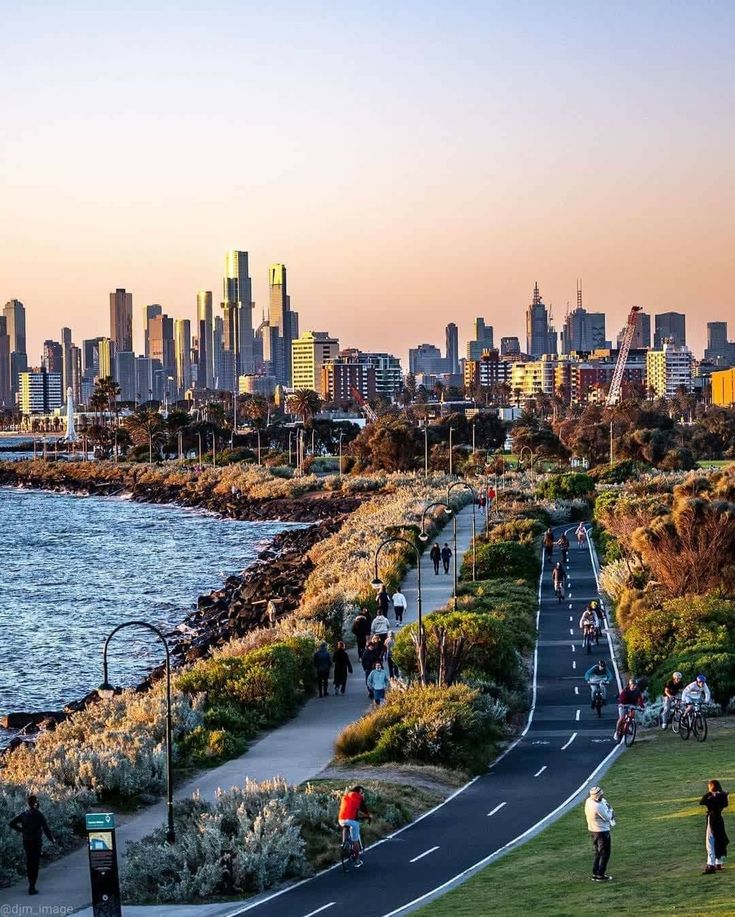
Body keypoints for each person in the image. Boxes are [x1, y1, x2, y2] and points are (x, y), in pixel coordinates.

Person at [9, 794, 54, 895]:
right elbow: (46, 829)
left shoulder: (24, 815)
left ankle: (31, 884)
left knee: (29, 862)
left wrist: (22, 830)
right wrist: (52, 839)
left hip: (27, 841)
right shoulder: (39, 815)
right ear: (36, 804)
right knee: (35, 863)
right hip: (36, 842)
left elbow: (11, 823)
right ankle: (32, 886)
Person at [584, 786, 615, 881]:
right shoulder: (597, 806)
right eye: (601, 794)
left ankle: (595, 872)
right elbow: (608, 817)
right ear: (597, 796)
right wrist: (611, 811)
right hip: (601, 831)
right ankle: (600, 874)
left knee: (598, 853)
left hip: (593, 830)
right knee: (604, 853)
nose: (603, 795)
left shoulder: (589, 801)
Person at [700, 780, 729, 873]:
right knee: (719, 839)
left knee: (710, 842)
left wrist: (710, 793)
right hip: (719, 819)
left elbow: (702, 801)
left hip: (712, 819)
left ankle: (711, 865)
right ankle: (718, 863)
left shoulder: (710, 797)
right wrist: (722, 793)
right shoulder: (722, 796)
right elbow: (725, 804)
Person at [338, 785, 371, 866]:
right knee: (355, 840)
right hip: (351, 821)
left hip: (341, 819)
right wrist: (368, 816)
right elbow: (364, 810)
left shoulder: (345, 796)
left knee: (345, 826)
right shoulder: (359, 798)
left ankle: (344, 843)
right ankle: (357, 860)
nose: (362, 794)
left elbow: (350, 809)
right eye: (362, 792)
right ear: (358, 792)